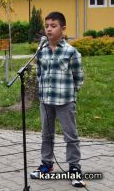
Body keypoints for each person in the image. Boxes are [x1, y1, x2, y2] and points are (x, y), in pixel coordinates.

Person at [30, 12, 85, 188]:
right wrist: (44, 92)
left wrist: (71, 95)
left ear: (63, 28)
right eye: (47, 26)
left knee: (71, 136)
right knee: (46, 134)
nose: (49, 29)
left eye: (53, 26)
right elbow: (39, 73)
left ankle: (74, 168)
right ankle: (46, 164)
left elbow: (78, 77)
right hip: (46, 101)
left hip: (65, 101)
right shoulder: (41, 51)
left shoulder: (71, 52)